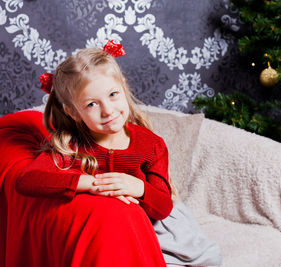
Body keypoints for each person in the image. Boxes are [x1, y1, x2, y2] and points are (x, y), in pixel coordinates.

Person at [14, 40, 173, 266]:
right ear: (73, 112)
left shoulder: (151, 145)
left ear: (124, 88)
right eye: (91, 104)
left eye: (113, 94)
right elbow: (28, 180)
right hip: (99, 238)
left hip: (140, 231)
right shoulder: (71, 145)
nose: (107, 110)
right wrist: (91, 184)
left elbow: (164, 206)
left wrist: (139, 188)